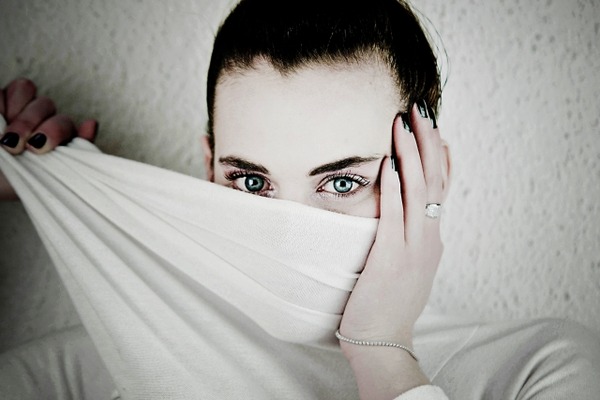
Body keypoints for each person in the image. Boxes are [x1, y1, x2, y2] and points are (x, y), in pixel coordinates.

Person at [1, 0, 599, 399]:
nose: (288, 233)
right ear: (209, 170)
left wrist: (384, 351)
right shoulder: (101, 365)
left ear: (431, 173)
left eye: (342, 183)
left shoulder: (538, 370)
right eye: (252, 183)